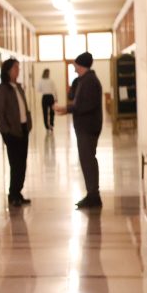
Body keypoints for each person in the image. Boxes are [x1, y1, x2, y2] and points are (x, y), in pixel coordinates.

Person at [55, 52, 103, 209]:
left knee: (88, 160)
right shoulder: (83, 80)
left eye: (75, 64)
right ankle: (92, 194)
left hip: (88, 127)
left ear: (80, 64)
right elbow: (74, 97)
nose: (74, 67)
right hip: (85, 127)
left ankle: (93, 196)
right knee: (86, 160)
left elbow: (86, 105)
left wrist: (67, 108)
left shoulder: (89, 81)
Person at [0, 58, 32, 207]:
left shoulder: (18, 87)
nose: (18, 70)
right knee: (15, 164)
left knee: (22, 163)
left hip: (23, 129)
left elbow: (24, 107)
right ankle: (13, 193)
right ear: (7, 70)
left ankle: (18, 192)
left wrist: (28, 123)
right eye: (15, 68)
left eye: (18, 68)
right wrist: (6, 132)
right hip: (12, 132)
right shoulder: (1, 90)